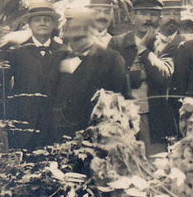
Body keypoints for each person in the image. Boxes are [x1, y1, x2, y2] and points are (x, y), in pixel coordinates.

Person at [44, 9, 130, 143]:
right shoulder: (56, 57)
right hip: (58, 135)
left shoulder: (111, 59)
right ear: (66, 32)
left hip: (96, 138)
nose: (78, 35)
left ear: (92, 30)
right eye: (72, 30)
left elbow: (121, 101)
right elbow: (49, 97)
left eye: (83, 30)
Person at [4, 0, 63, 149]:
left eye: (47, 20)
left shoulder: (64, 51)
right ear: (29, 24)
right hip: (25, 123)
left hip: (55, 124)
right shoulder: (16, 52)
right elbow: (4, 87)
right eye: (37, 20)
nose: (42, 23)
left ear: (54, 24)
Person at [110, 0, 162, 144]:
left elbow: (165, 78)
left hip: (156, 114)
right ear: (133, 17)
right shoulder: (118, 43)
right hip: (126, 112)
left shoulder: (164, 44)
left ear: (160, 19)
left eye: (153, 14)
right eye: (143, 14)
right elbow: (111, 79)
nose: (148, 19)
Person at [143, 0, 190, 145]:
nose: (172, 18)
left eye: (176, 13)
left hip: (183, 109)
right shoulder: (147, 42)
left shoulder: (189, 42)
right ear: (158, 17)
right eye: (167, 13)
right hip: (155, 111)